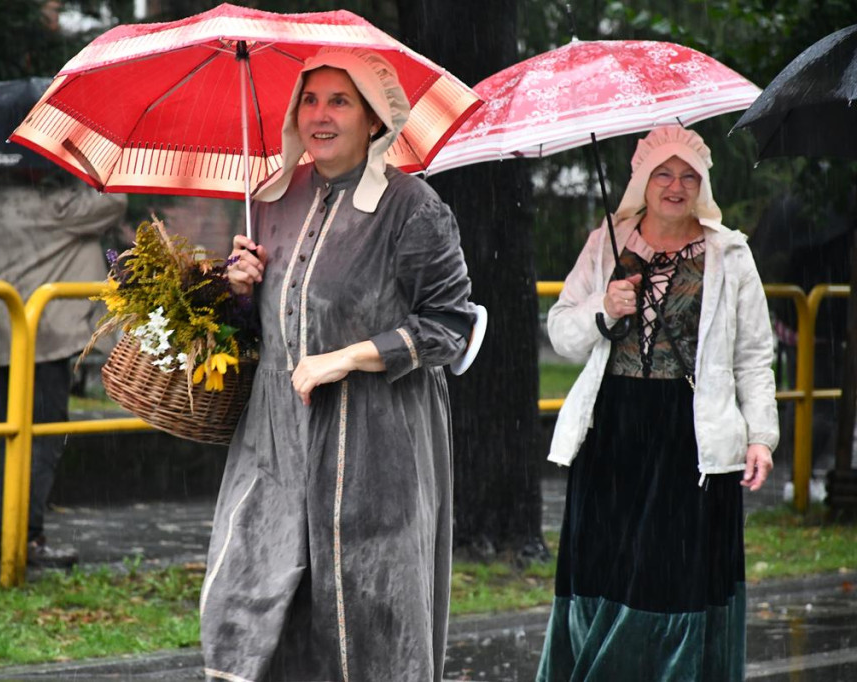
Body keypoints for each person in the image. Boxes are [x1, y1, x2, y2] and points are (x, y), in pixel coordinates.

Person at [198, 48, 477, 681]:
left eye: (339, 101)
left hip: (376, 440)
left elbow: (449, 326)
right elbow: (270, 327)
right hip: (275, 437)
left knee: (367, 608)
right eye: (310, 99)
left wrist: (346, 358)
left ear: (375, 119)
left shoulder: (414, 208)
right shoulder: (273, 197)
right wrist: (240, 289)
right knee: (250, 594)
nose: (319, 115)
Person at [536, 126, 778, 681]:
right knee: (606, 569)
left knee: (669, 578)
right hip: (612, 431)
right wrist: (604, 307)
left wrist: (762, 436)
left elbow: (753, 356)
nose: (675, 186)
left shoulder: (730, 253)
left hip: (687, 438)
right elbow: (562, 333)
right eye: (663, 174)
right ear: (642, 181)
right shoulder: (608, 241)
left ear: (703, 183)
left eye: (688, 175)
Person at [0, 168, 127, 567]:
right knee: (42, 438)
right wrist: (85, 171)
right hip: (47, 335)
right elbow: (114, 203)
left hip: (0, 335)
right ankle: (26, 537)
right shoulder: (55, 203)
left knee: (1, 435)